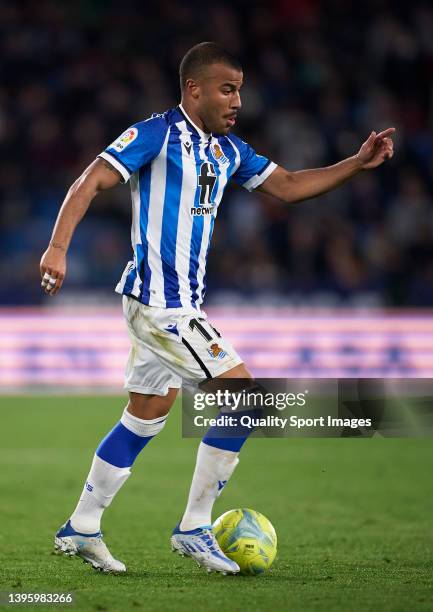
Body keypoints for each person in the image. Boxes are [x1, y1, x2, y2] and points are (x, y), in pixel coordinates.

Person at [40, 42, 395, 575]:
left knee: (145, 416)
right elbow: (89, 180)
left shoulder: (228, 151)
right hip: (162, 305)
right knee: (247, 400)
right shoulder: (155, 135)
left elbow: (291, 186)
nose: (237, 102)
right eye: (227, 90)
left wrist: (356, 164)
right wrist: (59, 248)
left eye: (240, 92)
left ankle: (82, 527)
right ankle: (194, 526)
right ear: (194, 89)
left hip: (170, 305)